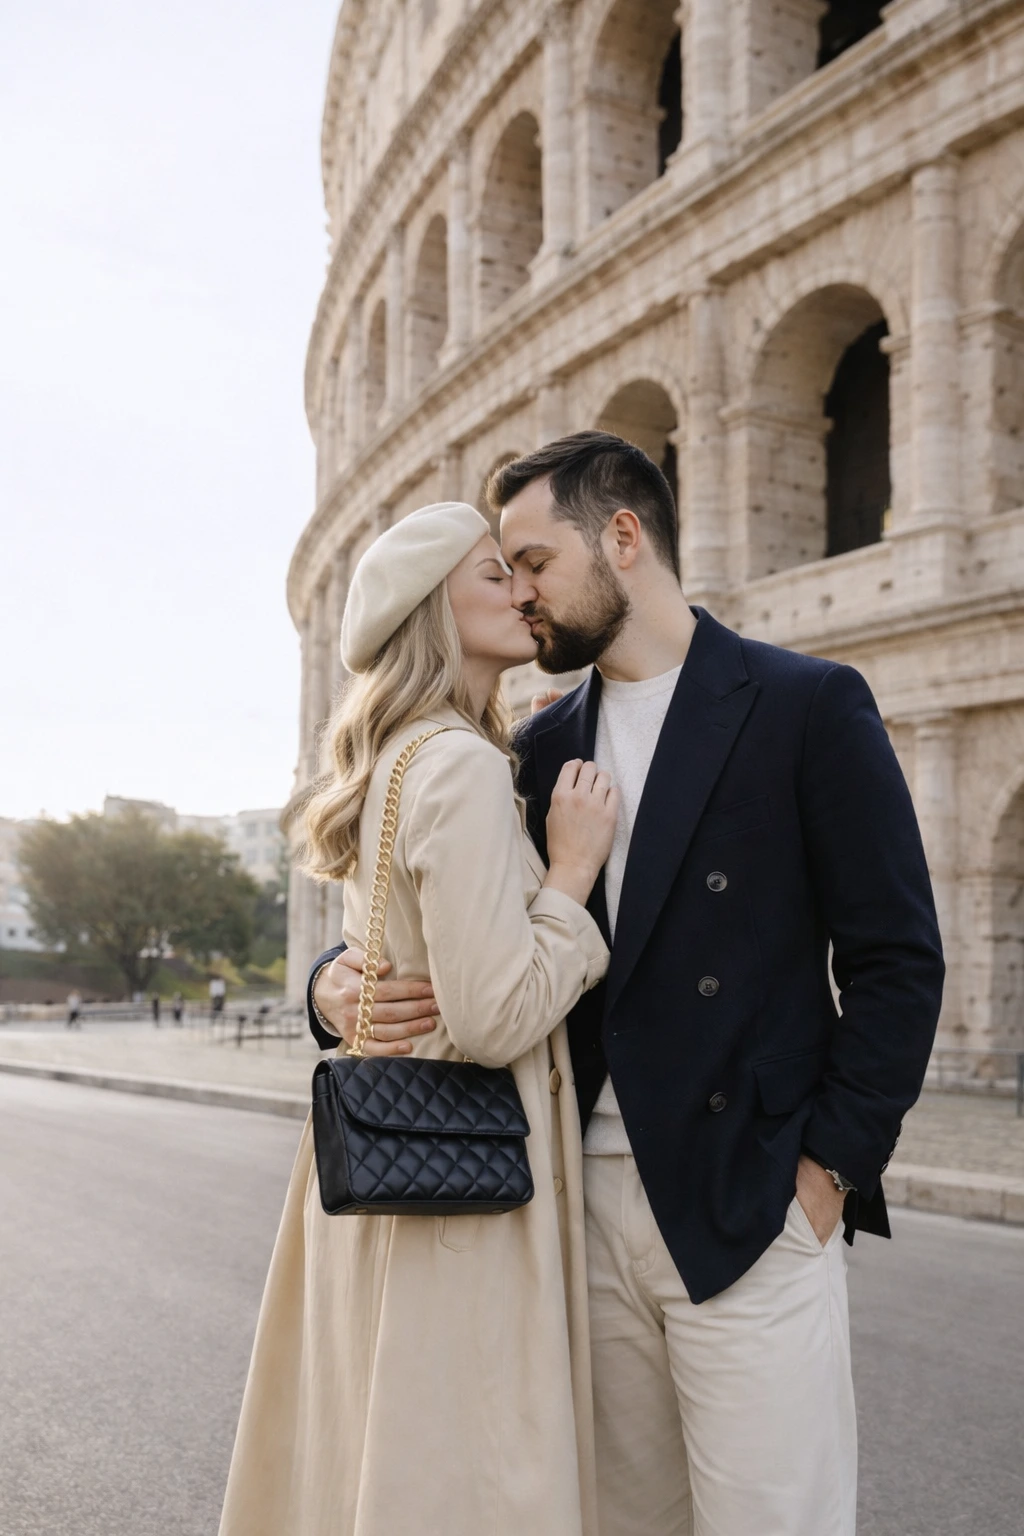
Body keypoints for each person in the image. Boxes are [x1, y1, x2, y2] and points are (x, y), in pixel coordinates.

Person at [311, 433, 944, 1536]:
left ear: (622, 538)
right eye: (501, 572)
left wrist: (829, 1170)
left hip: (747, 1199)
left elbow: (896, 956)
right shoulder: (531, 746)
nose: (522, 594)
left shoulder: (803, 704)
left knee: (774, 1520)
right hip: (561, 1205)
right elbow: (421, 912)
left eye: (534, 561)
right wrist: (326, 986)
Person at [219, 502, 618, 1536]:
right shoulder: (464, 767)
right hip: (465, 1184)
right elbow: (493, 1020)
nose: (524, 590)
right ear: (436, 609)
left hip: (384, 1162)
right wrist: (570, 881)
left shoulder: (397, 758)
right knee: (469, 1467)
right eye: (495, 574)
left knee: (381, 1452)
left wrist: (325, 988)